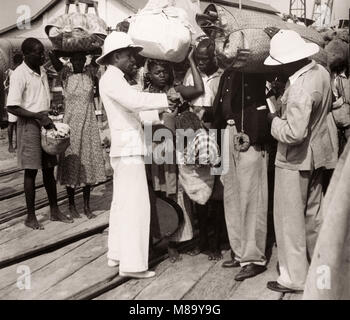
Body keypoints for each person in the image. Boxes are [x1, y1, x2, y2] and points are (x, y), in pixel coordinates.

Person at [264, 30, 338, 293]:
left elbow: (294, 133)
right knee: (313, 218)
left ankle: (294, 278)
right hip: (316, 157)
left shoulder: (299, 88)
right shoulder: (319, 73)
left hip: (294, 161)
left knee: (289, 222)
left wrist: (274, 120)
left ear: (290, 62)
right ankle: (322, 273)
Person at [98, 32, 175, 279]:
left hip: (126, 147)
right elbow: (133, 102)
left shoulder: (115, 79)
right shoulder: (113, 79)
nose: (134, 60)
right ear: (117, 55)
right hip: (129, 149)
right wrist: (164, 99)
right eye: (130, 55)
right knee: (136, 206)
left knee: (121, 204)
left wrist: (158, 113)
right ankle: (133, 265)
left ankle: (117, 254)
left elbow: (132, 112)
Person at [213, 60, 274, 280]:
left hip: (251, 136)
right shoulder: (227, 73)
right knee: (231, 195)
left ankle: (254, 258)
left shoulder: (257, 69)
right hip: (228, 133)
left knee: (252, 197)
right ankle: (239, 252)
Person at [142, 51, 205, 263]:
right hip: (154, 149)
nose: (162, 75)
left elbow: (198, 88)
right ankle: (161, 240)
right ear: (149, 74)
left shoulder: (175, 91)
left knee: (176, 193)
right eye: (157, 72)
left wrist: (191, 61)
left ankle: (178, 239)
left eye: (164, 71)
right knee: (158, 193)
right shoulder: (144, 95)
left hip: (174, 149)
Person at [6, 38, 72, 230]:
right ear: (26, 54)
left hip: (44, 122)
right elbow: (12, 106)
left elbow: (58, 74)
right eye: (38, 52)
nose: (42, 55)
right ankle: (31, 216)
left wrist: (47, 114)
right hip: (29, 125)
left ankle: (54, 211)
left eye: (42, 51)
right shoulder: (20, 74)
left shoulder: (41, 70)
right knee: (31, 171)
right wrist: (37, 116)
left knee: (49, 169)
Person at [49, 51, 107, 219]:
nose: (78, 62)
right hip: (71, 125)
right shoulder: (65, 73)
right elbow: (53, 55)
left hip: (88, 123)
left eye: (81, 59)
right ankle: (72, 205)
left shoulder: (90, 72)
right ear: (70, 60)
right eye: (75, 59)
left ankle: (87, 205)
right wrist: (65, 51)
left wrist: (87, 48)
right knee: (71, 161)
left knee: (87, 161)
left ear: (85, 60)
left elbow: (99, 54)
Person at [182, 38, 225, 260]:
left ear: (215, 56)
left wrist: (206, 114)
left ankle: (217, 243)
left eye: (205, 59)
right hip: (194, 138)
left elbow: (223, 109)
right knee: (197, 187)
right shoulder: (191, 74)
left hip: (216, 136)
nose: (201, 63)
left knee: (217, 191)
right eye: (198, 59)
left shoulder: (223, 76)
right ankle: (203, 241)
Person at [4, 53, 23, 153]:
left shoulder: (20, 72)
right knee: (11, 124)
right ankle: (11, 145)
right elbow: (5, 86)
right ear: (19, 62)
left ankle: (17, 144)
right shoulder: (10, 72)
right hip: (12, 101)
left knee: (16, 124)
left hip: (18, 102)